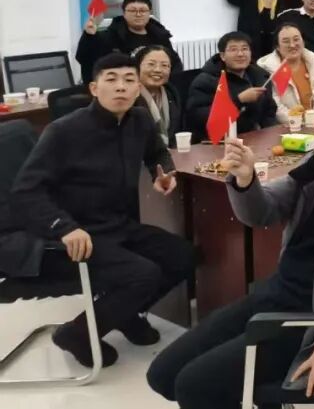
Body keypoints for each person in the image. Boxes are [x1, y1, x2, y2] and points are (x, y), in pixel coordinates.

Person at [147, 84, 314, 408]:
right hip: (277, 295)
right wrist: (245, 180)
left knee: (194, 387)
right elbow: (263, 213)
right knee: (162, 375)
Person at [12, 53, 194, 368]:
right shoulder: (63, 131)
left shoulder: (139, 119)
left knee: (183, 256)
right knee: (143, 274)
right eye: (111, 80)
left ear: (138, 88)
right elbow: (26, 191)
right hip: (77, 232)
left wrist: (162, 172)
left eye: (129, 80)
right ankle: (77, 334)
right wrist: (65, 227)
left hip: (119, 224)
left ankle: (124, 313)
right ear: (94, 89)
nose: (121, 87)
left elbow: (157, 152)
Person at [185, 32, 277, 141]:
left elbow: (269, 111)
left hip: (255, 138)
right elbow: (200, 118)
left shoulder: (259, 75)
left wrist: (271, 135)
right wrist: (239, 100)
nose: (240, 54)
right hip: (218, 142)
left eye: (244, 49)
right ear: (222, 56)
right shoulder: (206, 81)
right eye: (233, 50)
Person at [76, 0, 183, 83]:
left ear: (149, 13)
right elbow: (85, 58)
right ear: (124, 13)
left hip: (156, 86)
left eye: (143, 11)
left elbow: (174, 63)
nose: (138, 14)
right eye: (133, 11)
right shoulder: (109, 36)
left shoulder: (160, 36)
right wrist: (89, 36)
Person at [133, 45, 182, 148]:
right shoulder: (129, 97)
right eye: (151, 64)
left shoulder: (172, 94)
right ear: (137, 67)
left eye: (165, 65)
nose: (158, 70)